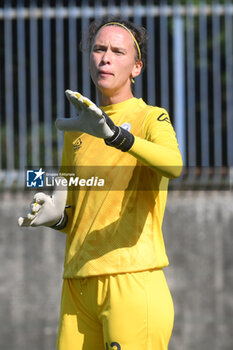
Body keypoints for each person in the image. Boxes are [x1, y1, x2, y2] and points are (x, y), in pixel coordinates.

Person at [19, 18, 183, 350]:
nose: (105, 57)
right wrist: (59, 219)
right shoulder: (79, 128)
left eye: (117, 51)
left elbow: (174, 165)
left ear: (136, 67)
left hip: (132, 278)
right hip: (77, 283)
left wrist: (117, 136)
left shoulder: (151, 117)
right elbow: (79, 211)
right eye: (99, 48)